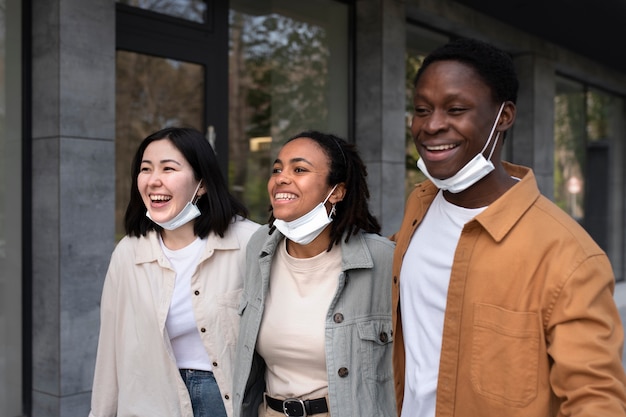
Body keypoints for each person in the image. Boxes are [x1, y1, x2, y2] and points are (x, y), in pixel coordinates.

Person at [392, 37, 626, 417]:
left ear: (504, 116)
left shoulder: (570, 258)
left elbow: (595, 400)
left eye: (455, 109)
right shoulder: (419, 205)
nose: (431, 125)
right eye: (421, 109)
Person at [89, 127, 260, 417]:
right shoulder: (128, 253)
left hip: (223, 400)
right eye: (146, 169)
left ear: (202, 183)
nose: (154, 180)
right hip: (151, 400)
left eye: (168, 168)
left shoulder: (249, 242)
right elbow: (111, 349)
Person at [232, 131, 396, 417]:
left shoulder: (382, 260)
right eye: (277, 169)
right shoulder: (260, 247)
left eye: (299, 169)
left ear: (338, 191)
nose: (281, 178)